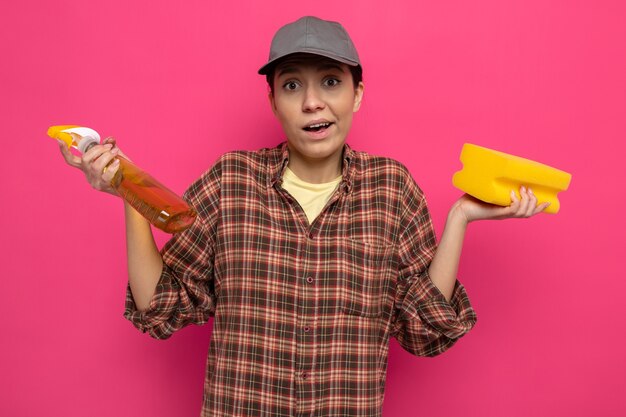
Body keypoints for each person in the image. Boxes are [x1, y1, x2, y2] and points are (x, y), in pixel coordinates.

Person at [58, 16, 549, 417]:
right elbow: (159, 306)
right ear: (273, 100)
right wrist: (128, 189)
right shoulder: (232, 181)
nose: (313, 101)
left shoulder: (391, 188)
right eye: (292, 85)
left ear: (356, 94)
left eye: (331, 82)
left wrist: (461, 217)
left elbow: (423, 329)